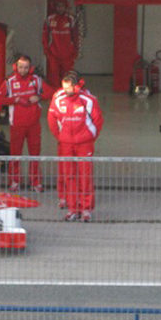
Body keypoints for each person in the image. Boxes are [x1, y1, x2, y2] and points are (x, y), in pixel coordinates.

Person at [0, 55, 54, 192]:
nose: (23, 70)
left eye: (26, 67)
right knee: (15, 154)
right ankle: (14, 181)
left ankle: (35, 182)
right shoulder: (9, 82)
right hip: (17, 125)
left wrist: (38, 97)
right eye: (21, 67)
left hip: (34, 125)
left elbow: (51, 93)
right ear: (16, 67)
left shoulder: (36, 80)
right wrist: (16, 99)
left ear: (30, 68)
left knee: (35, 154)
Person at [47, 71, 103, 221]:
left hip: (84, 144)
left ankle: (86, 209)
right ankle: (73, 208)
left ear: (77, 87)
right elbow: (52, 120)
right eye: (64, 88)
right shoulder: (58, 99)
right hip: (66, 144)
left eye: (69, 88)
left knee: (85, 176)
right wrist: (61, 137)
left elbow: (98, 121)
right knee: (69, 176)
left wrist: (90, 137)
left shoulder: (88, 100)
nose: (66, 91)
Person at [42, 0, 79, 88]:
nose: (60, 8)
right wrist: (46, 50)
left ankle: (66, 94)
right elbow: (45, 36)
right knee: (53, 75)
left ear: (65, 7)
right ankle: (55, 94)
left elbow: (75, 36)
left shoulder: (71, 19)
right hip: (53, 53)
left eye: (62, 6)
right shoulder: (50, 19)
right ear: (55, 7)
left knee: (67, 76)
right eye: (58, 6)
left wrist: (76, 50)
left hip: (68, 54)